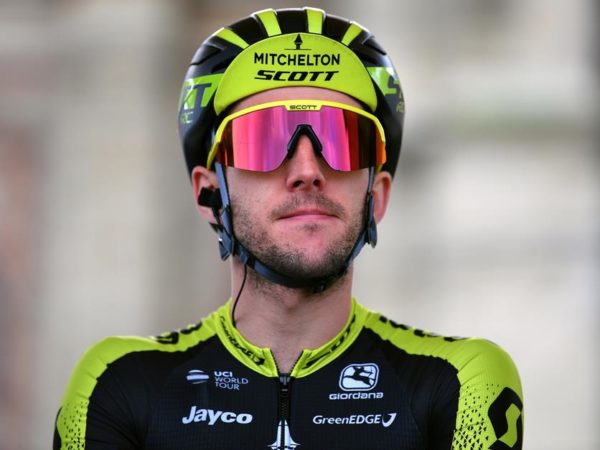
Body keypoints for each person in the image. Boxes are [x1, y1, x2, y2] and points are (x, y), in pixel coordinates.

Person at [54, 7, 523, 450]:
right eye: (263, 140)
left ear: (377, 195)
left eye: (342, 139)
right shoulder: (115, 381)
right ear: (209, 194)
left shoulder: (458, 380)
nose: (307, 171)